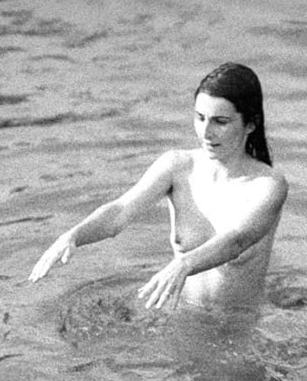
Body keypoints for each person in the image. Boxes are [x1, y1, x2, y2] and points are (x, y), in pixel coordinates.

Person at [29, 63, 288, 317]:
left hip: (237, 328)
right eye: (200, 118)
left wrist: (184, 263)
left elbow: (237, 240)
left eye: (220, 121)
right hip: (183, 317)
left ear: (251, 124)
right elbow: (120, 211)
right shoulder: (178, 166)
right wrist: (74, 235)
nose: (206, 132)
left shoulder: (268, 186)